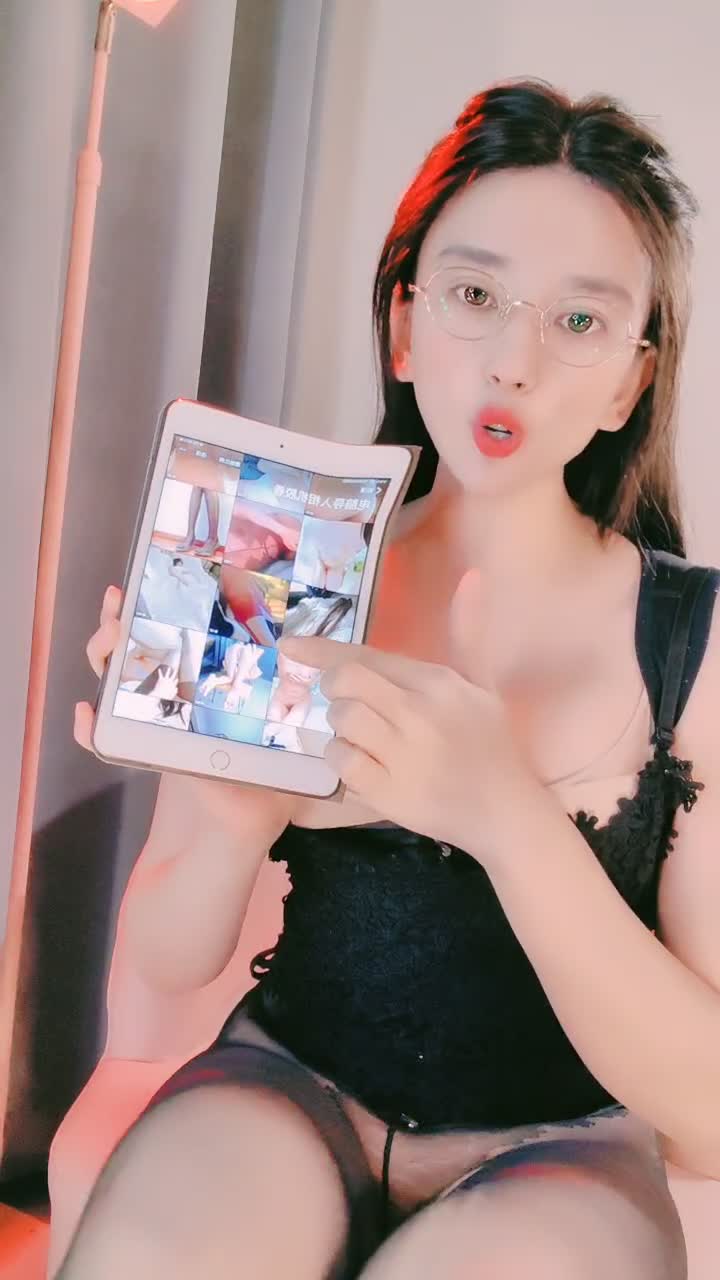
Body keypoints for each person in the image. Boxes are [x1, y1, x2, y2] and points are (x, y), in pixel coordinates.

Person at [66, 80, 720, 1279]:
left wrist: (504, 813)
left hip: (562, 1148)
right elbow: (165, 951)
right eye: (474, 296)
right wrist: (228, 809)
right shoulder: (277, 558)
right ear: (407, 324)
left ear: (631, 380)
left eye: (580, 320)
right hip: (289, 1084)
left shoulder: (696, 641)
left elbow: (714, 1114)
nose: (515, 361)